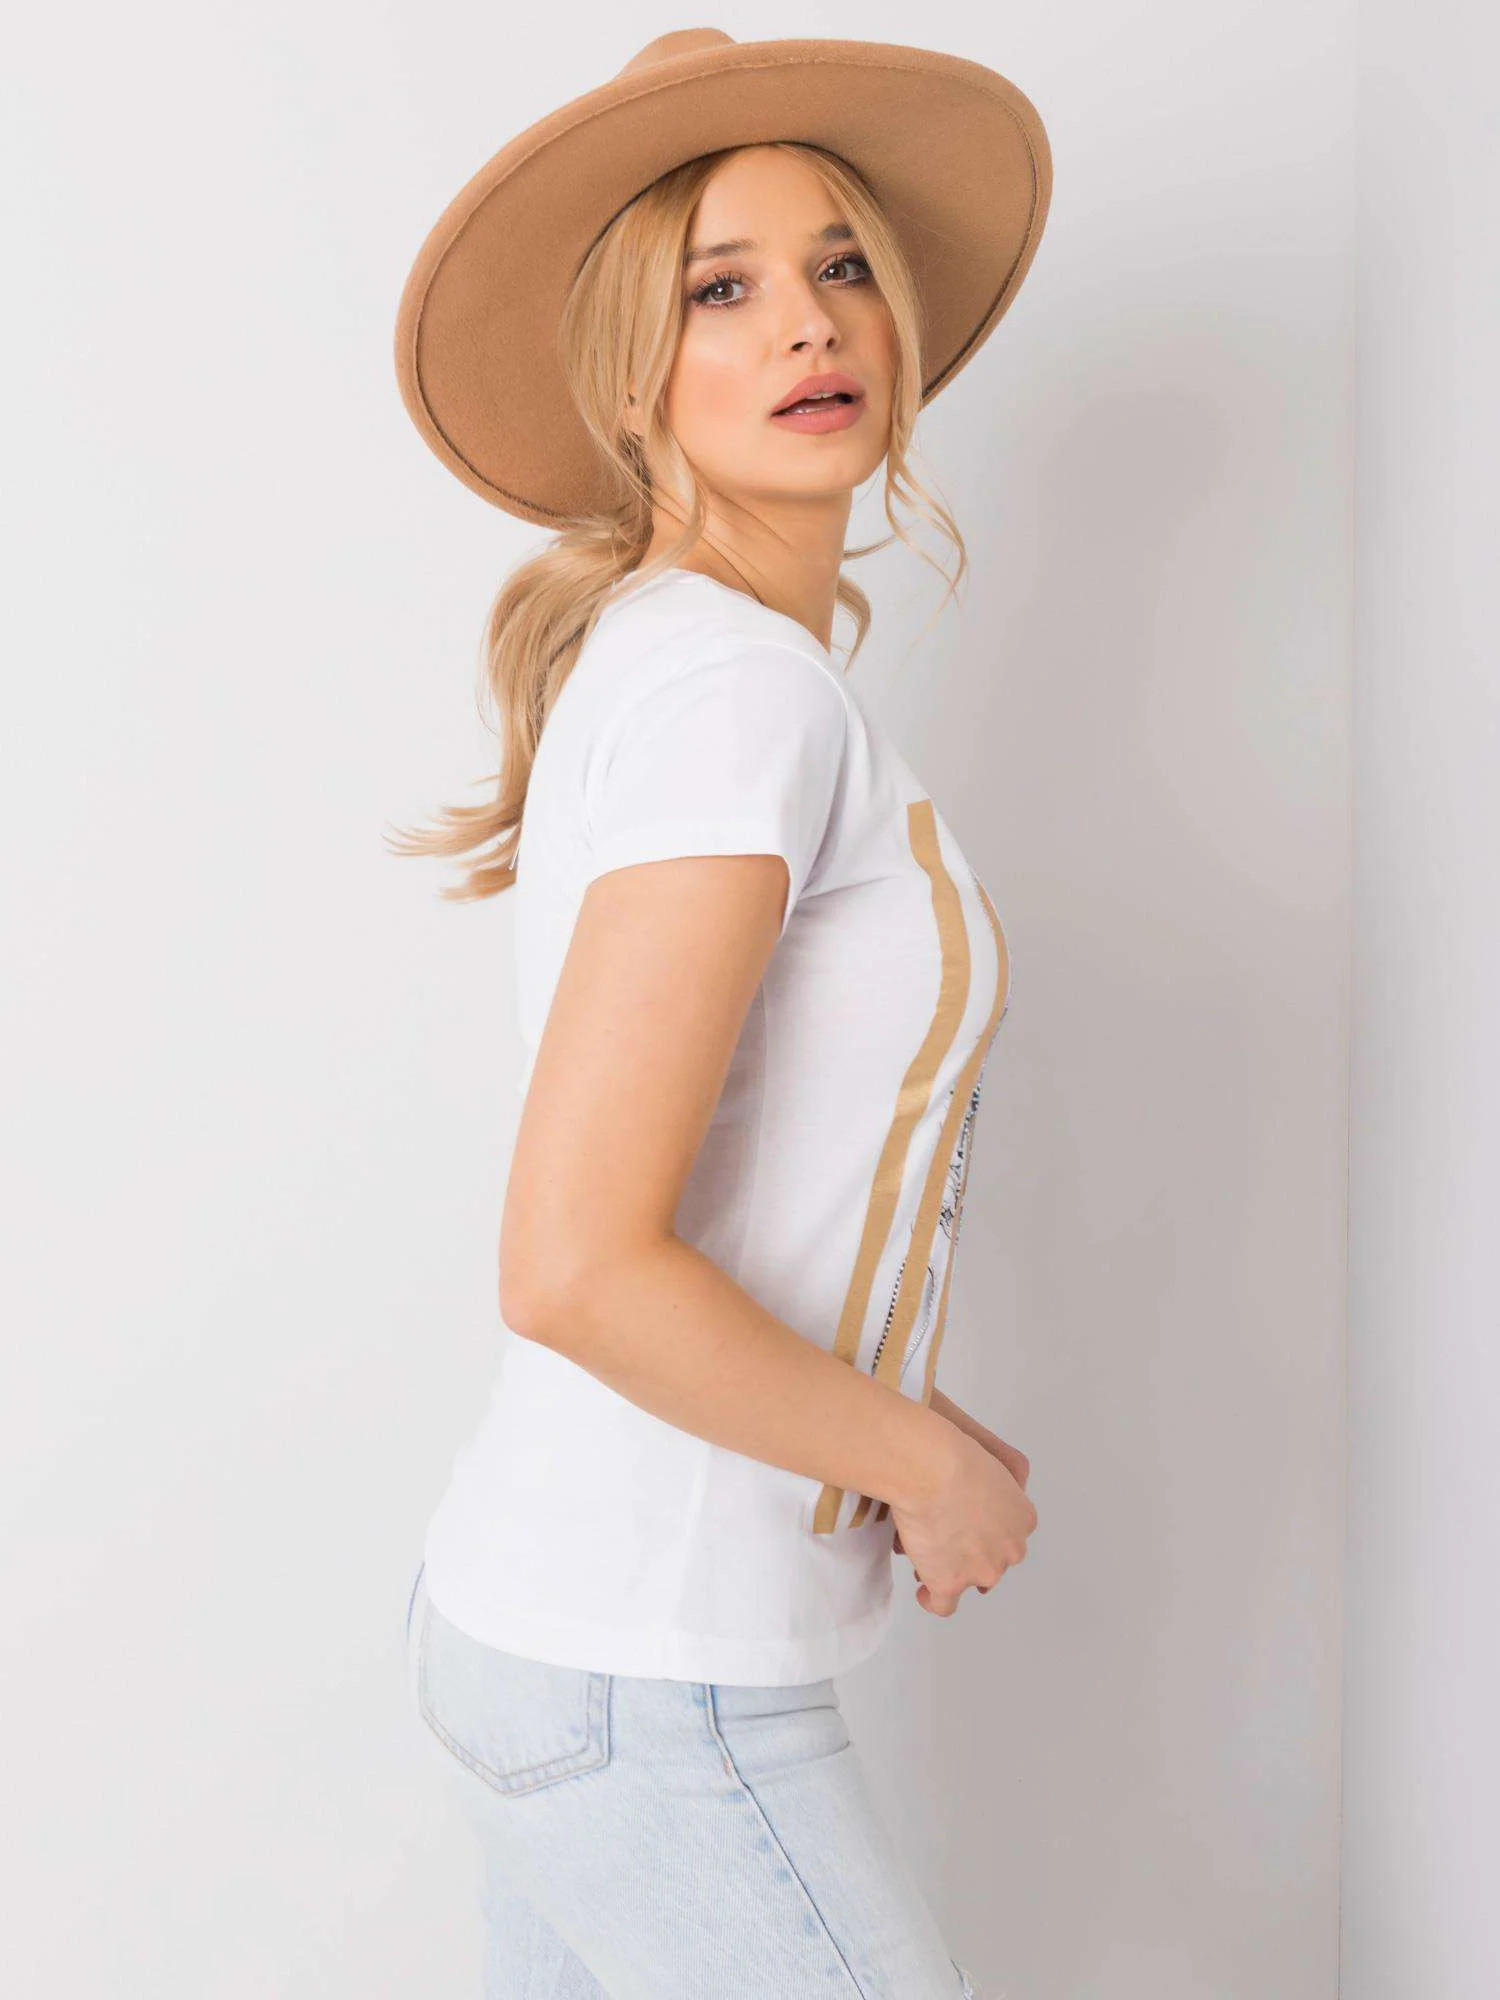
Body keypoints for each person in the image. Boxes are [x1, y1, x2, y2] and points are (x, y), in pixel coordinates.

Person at [388, 28, 1053, 1999]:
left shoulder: (694, 664)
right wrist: (923, 1466)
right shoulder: (737, 697)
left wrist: (903, 1415)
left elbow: (737, 1196)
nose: (807, 323)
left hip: (577, 1640)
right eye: (721, 289)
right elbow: (575, 1260)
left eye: (841, 266)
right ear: (630, 376)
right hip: (644, 1674)